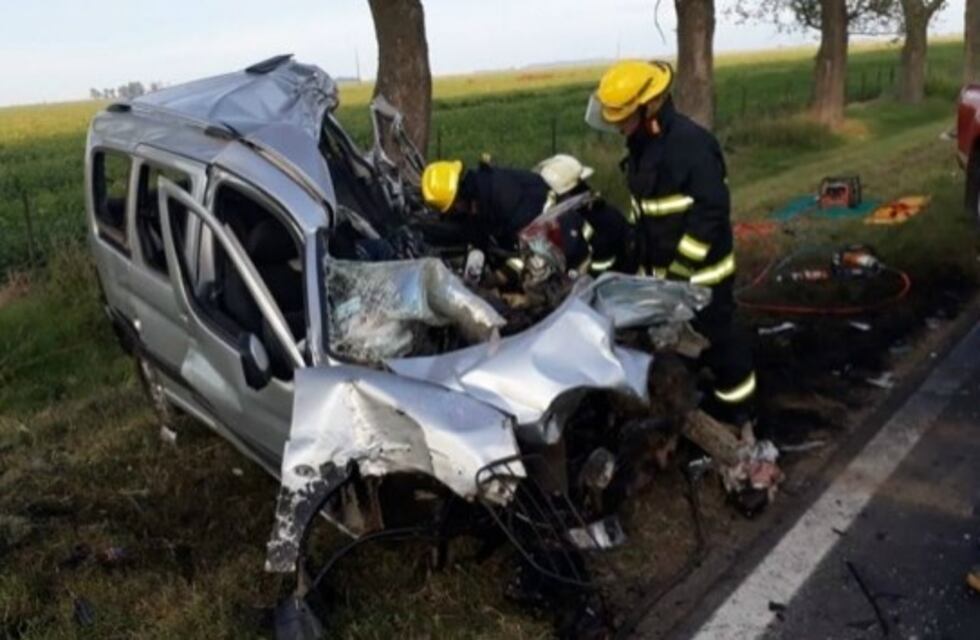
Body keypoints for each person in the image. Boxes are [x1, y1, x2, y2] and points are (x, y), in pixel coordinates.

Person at [586, 60, 756, 425]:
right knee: (678, 351)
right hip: (666, 283)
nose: (617, 126)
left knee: (721, 349)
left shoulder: (692, 145)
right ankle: (693, 413)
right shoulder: (642, 145)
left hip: (703, 280)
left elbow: (709, 215)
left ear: (650, 106)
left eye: (623, 116)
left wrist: (680, 273)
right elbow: (645, 212)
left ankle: (739, 415)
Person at [535, 153, 639, 277]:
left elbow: (601, 268)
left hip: (611, 284)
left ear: (564, 195)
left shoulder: (591, 221)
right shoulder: (591, 210)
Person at [420, 158, 549, 252]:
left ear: (457, 202)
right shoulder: (482, 180)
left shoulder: (490, 208)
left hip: (540, 225)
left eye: (451, 210)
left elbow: (508, 247)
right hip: (536, 190)